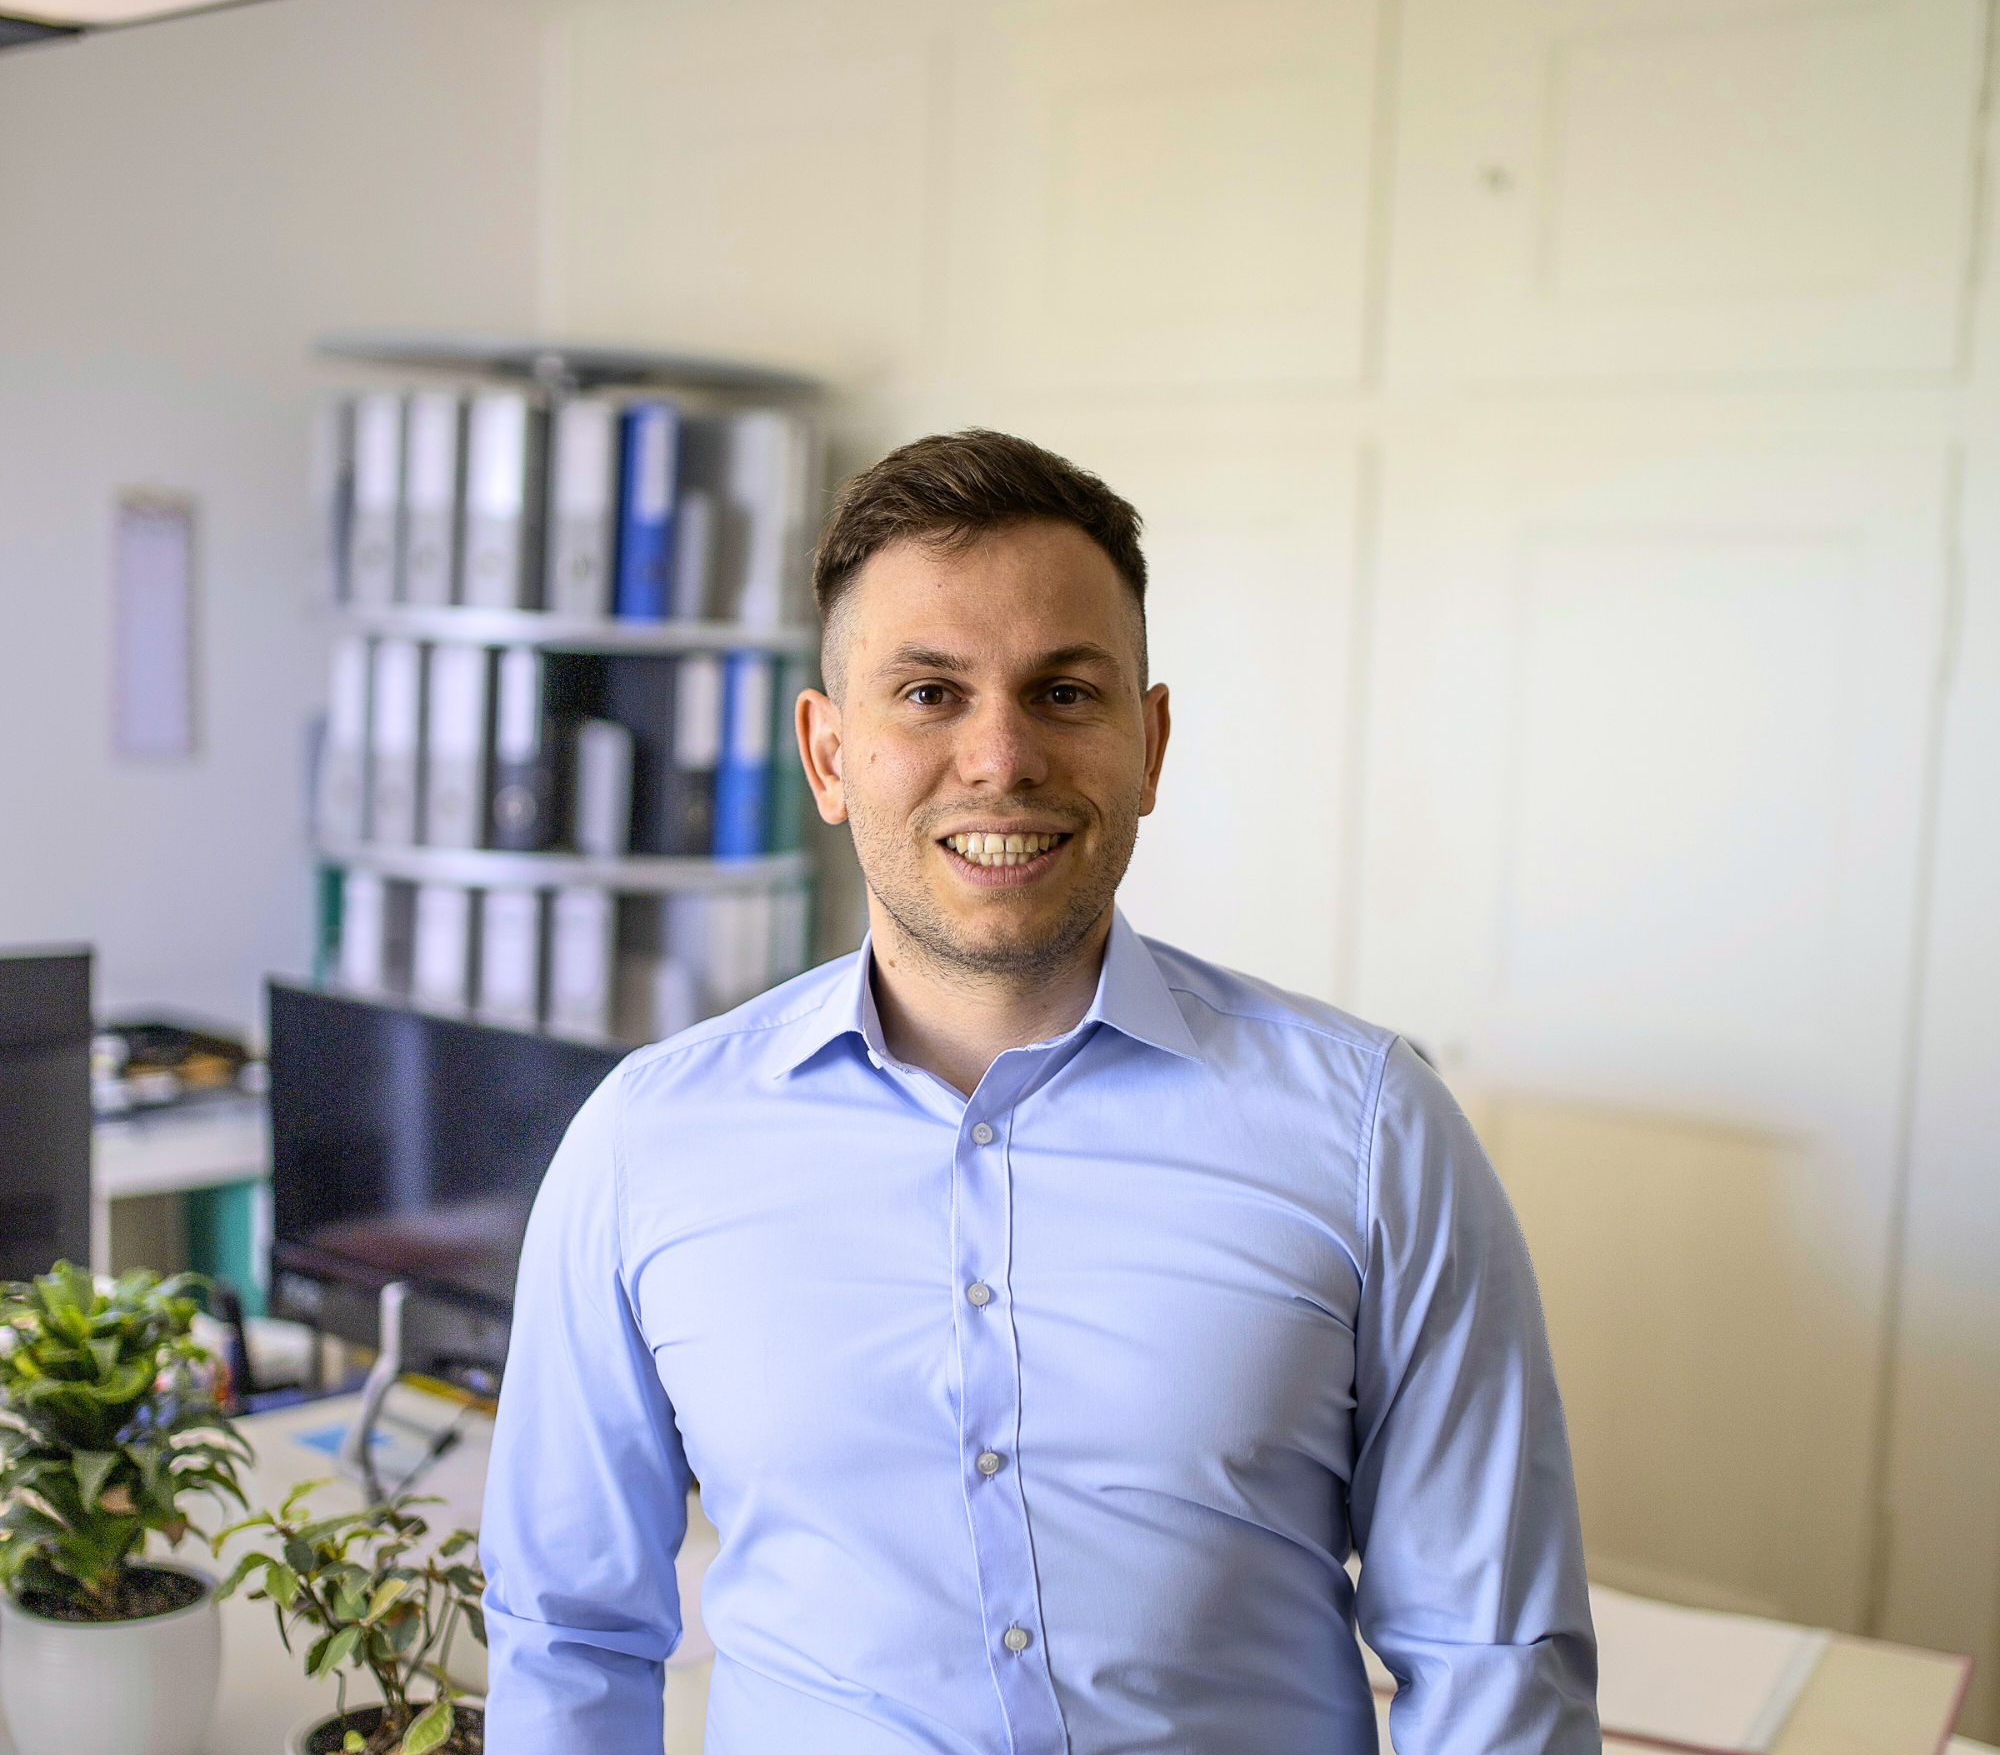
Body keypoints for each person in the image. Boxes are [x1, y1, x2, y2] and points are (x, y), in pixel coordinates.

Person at [480, 429, 1598, 1755]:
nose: (1001, 757)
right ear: (829, 754)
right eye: (929, 694)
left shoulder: (1370, 1132)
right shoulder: (644, 1146)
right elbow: (571, 1640)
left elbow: (1491, 1661)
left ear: (1150, 742)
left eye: (1065, 694)